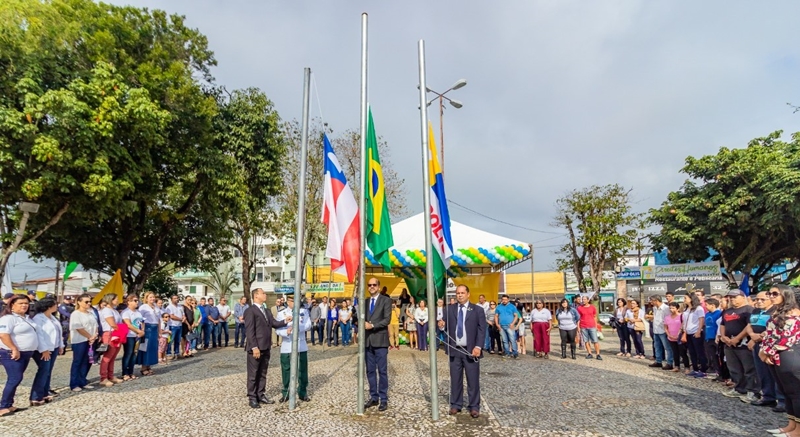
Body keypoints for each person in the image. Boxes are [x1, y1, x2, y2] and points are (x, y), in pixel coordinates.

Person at [438, 284, 486, 418]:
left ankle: (474, 406)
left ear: (468, 294)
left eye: (462, 293)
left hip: (471, 350)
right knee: (455, 379)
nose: (459, 295)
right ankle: (456, 404)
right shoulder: (449, 309)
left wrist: (478, 347)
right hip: (455, 350)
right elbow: (443, 327)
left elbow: (482, 330)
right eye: (458, 293)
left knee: (473, 380)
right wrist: (441, 325)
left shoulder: (477, 310)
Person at [759, 285, 800, 436]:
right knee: (786, 392)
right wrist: (764, 351)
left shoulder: (794, 313)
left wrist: (766, 352)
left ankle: (798, 431)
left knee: (796, 393)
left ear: (786, 294)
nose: (771, 296)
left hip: (789, 355)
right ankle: (791, 425)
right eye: (769, 293)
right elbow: (769, 334)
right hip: (774, 355)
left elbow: (787, 338)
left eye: (775, 293)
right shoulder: (778, 311)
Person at [244, 288, 288, 408]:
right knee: (253, 374)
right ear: (256, 296)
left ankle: (260, 394)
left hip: (266, 346)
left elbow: (274, 323)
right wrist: (254, 347)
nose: (265, 295)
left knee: (263, 373)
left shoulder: (267, 311)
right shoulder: (250, 311)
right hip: (256, 348)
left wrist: (285, 321)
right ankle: (252, 397)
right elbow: (250, 331)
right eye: (263, 293)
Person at [0, 295, 38, 414]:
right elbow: (3, 335)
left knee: (17, 378)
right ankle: (3, 406)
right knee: (15, 378)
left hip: (26, 353)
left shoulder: (26, 318)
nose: (24, 305)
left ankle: (9, 404)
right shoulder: (8, 318)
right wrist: (13, 348)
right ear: (12, 305)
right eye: (21, 303)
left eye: (26, 303)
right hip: (11, 353)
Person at [720, 289, 758, 403]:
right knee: (734, 368)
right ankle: (739, 388)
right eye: (730, 297)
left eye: (735, 297)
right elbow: (722, 324)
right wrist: (723, 336)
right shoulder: (727, 311)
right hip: (729, 343)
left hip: (743, 343)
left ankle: (752, 391)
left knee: (749, 368)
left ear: (743, 297)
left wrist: (737, 338)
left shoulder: (749, 310)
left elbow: (749, 326)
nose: (732, 299)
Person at [746, 290, 782, 408]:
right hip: (757, 343)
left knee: (775, 373)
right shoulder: (755, 310)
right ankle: (768, 396)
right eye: (757, 299)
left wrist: (759, 337)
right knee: (762, 371)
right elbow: (749, 325)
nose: (759, 302)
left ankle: (781, 400)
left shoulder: (776, 311)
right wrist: (752, 336)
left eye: (762, 299)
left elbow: (775, 328)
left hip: (770, 344)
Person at [275, 295, 311, 403]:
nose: (294, 302)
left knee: (302, 370)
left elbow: (308, 325)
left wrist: (297, 328)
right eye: (292, 300)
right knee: (286, 370)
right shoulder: (282, 313)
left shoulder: (303, 312)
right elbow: (277, 329)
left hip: (301, 345)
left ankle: (302, 392)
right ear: (288, 302)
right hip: (287, 345)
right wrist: (286, 332)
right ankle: (286, 392)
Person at [363, 277, 391, 412]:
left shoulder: (386, 300)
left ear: (379, 287)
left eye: (374, 285)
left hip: (380, 341)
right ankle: (374, 397)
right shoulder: (365, 301)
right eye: (369, 285)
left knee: (382, 371)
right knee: (370, 371)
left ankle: (383, 399)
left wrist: (372, 325)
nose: (372, 286)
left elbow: (387, 319)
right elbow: (360, 317)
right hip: (368, 342)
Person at [30, 298, 62, 405]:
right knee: (43, 371)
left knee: (48, 372)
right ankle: (36, 396)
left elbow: (58, 332)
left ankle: (44, 392)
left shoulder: (52, 317)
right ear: (48, 306)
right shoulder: (38, 319)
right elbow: (39, 335)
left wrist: (61, 345)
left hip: (54, 347)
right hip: (44, 349)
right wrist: (44, 350)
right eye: (55, 304)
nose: (56, 306)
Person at [68, 294, 98, 391]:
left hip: (91, 340)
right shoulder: (76, 314)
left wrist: (95, 335)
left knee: (87, 361)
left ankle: (83, 380)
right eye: (86, 302)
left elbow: (95, 325)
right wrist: (89, 336)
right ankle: (74, 383)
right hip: (80, 340)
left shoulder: (90, 313)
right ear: (79, 302)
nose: (89, 303)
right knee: (78, 361)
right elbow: (78, 328)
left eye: (90, 301)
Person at [98, 293, 124, 387]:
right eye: (116, 299)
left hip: (117, 333)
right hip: (110, 333)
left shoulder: (115, 311)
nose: (118, 300)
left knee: (113, 356)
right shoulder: (107, 311)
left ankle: (110, 375)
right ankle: (103, 377)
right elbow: (112, 324)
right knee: (107, 356)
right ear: (111, 300)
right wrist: (121, 331)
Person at [120, 294, 144, 381]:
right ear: (129, 302)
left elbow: (142, 322)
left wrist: (142, 331)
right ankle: (125, 373)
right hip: (129, 335)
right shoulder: (126, 312)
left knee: (134, 354)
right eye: (135, 300)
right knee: (128, 353)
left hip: (138, 335)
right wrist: (138, 331)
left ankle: (131, 372)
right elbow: (128, 324)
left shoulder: (138, 312)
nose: (137, 302)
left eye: (137, 300)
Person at [682, 294, 707, 376]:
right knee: (692, 352)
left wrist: (699, 331)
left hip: (695, 332)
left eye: (686, 298)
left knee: (700, 352)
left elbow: (701, 320)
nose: (684, 299)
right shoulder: (686, 309)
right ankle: (695, 369)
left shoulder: (698, 309)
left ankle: (703, 370)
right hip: (688, 332)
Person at [136, 291, 160, 375]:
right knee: (145, 347)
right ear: (146, 298)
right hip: (147, 328)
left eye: (153, 297)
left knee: (153, 348)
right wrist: (142, 329)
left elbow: (158, 320)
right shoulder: (143, 307)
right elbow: (140, 319)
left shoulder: (156, 307)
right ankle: (143, 367)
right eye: (150, 297)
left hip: (155, 328)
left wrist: (159, 331)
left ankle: (149, 365)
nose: (152, 299)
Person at [647, 295, 672, 369]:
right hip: (656, 329)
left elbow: (668, 319)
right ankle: (658, 361)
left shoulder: (666, 308)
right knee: (657, 346)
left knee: (667, 347)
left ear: (656, 300)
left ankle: (670, 362)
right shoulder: (654, 308)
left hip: (663, 330)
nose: (651, 302)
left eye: (652, 300)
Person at [495, 295, 519, 359]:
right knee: (504, 340)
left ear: (508, 300)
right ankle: (507, 353)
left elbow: (516, 316)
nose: (504, 301)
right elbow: (496, 316)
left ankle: (515, 353)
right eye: (503, 299)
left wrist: (512, 323)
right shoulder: (498, 307)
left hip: (509, 326)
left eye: (505, 299)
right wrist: (497, 324)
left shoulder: (512, 306)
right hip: (501, 326)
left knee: (512, 340)